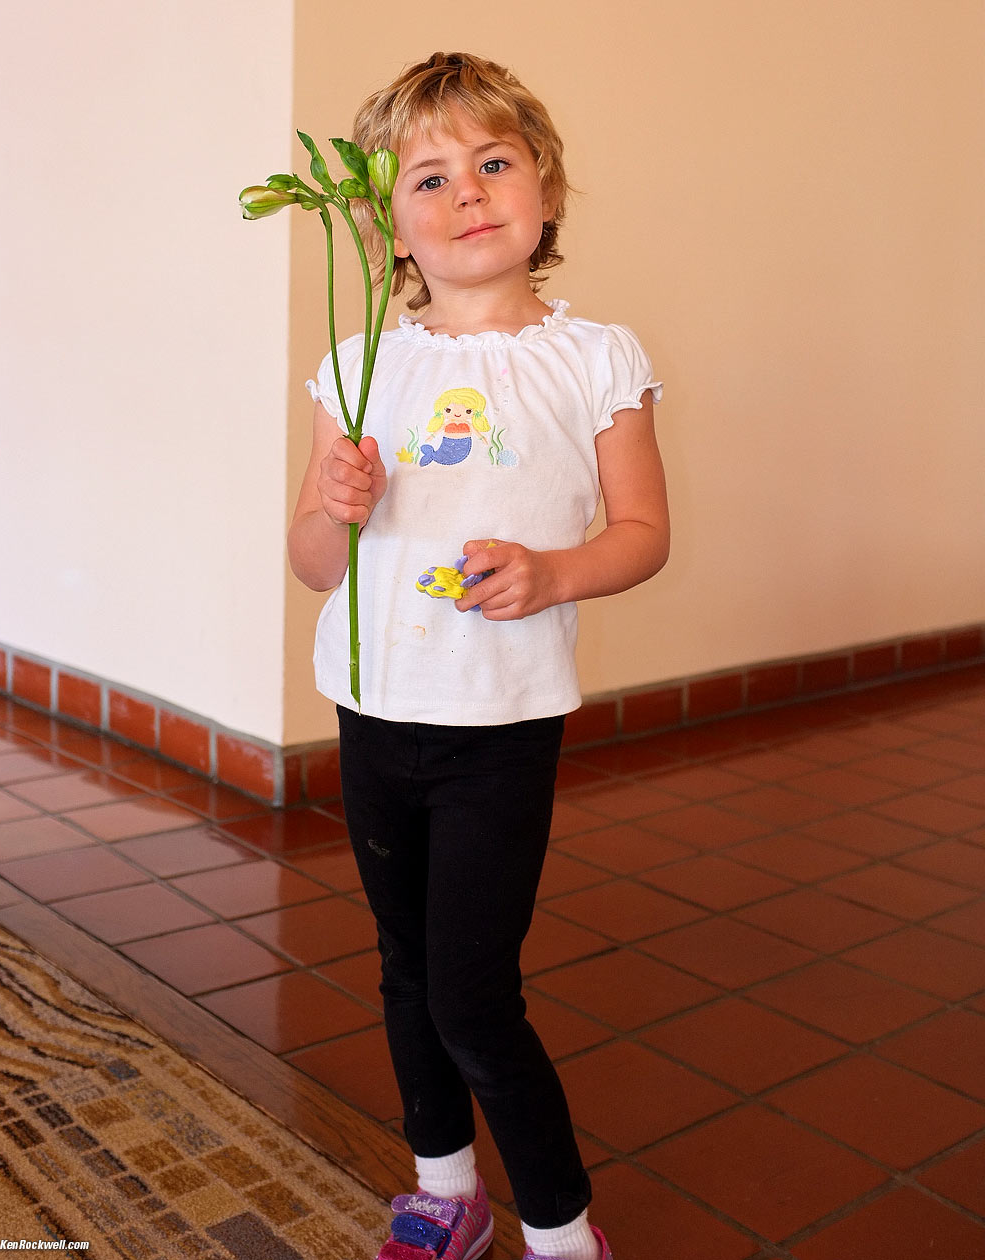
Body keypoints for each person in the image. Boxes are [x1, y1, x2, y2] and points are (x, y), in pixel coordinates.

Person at [288, 50, 669, 1260]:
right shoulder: (360, 366)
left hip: (499, 724)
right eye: (429, 177)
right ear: (386, 226)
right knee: (405, 970)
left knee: (471, 993)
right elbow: (310, 563)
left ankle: (561, 1233)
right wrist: (335, 509)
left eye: (493, 162)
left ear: (545, 188)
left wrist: (552, 575)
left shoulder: (595, 358)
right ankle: (445, 1190)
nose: (466, 192)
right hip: (373, 710)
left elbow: (643, 534)